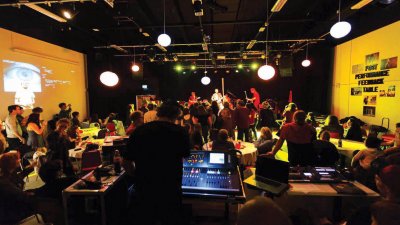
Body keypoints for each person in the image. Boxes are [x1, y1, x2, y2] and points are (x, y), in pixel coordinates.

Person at [122, 100, 191, 225]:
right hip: (171, 187)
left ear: (158, 113)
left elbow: (126, 162)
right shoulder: (181, 132)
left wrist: (137, 175)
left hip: (144, 187)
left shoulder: (140, 131)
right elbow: (185, 156)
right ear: (176, 115)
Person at [0, 152, 35, 224]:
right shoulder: (4, 181)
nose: (19, 160)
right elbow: (18, 193)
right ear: (11, 163)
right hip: (12, 211)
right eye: (17, 159)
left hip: (14, 204)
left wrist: (31, 167)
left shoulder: (10, 173)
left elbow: (20, 176)